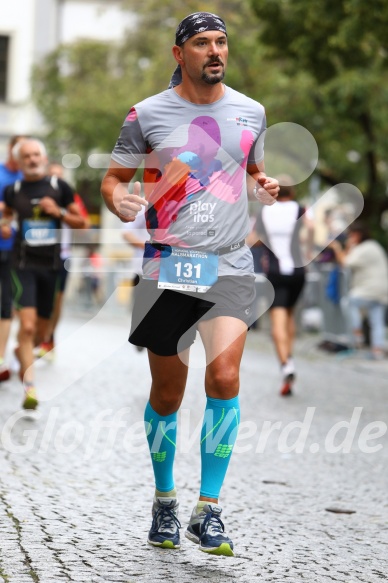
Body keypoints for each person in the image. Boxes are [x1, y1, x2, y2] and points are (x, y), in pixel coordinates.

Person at [101, 12, 279, 557]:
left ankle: (210, 509)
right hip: (166, 265)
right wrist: (119, 199)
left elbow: (250, 169)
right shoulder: (147, 114)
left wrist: (262, 182)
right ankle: (164, 500)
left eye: (221, 42)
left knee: (225, 377)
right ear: (180, 53)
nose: (215, 51)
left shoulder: (252, 112)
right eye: (202, 42)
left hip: (229, 263)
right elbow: (113, 177)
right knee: (167, 393)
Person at [1, 138, 85, 409]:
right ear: (20, 162)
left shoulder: (59, 187)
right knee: (25, 325)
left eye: (37, 154)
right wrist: (4, 224)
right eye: (27, 156)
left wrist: (58, 211)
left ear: (44, 157)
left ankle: (21, 350)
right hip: (22, 265)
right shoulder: (12, 189)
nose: (33, 160)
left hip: (51, 268)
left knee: (39, 334)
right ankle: (30, 389)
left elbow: (82, 223)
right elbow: (7, 213)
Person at [247, 177, 314, 396]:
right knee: (289, 315)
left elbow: (252, 239)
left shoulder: (264, 212)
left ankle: (286, 364)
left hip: (274, 272)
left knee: (277, 318)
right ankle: (290, 358)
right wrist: (309, 250)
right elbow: (311, 229)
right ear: (292, 192)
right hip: (298, 271)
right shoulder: (300, 208)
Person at [34, 162, 90, 358]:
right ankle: (34, 337)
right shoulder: (35, 194)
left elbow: (85, 225)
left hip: (61, 256)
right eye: (52, 175)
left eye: (59, 176)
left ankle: (49, 339)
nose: (55, 179)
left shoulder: (70, 198)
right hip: (35, 257)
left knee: (56, 300)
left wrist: (61, 212)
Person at [330, 221, 388, 360]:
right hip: (382, 290)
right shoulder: (373, 246)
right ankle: (377, 349)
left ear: (357, 235)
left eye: (351, 235)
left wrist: (337, 248)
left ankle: (357, 334)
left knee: (349, 302)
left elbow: (345, 262)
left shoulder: (363, 249)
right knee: (377, 319)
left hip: (368, 289)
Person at [0, 135, 28, 382]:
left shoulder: (27, 180)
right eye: (21, 151)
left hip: (14, 249)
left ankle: (1, 360)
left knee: (6, 303)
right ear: (11, 150)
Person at [122, 205, 148, 350]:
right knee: (141, 306)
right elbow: (127, 233)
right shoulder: (144, 207)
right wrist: (150, 247)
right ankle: (139, 332)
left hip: (169, 269)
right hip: (142, 268)